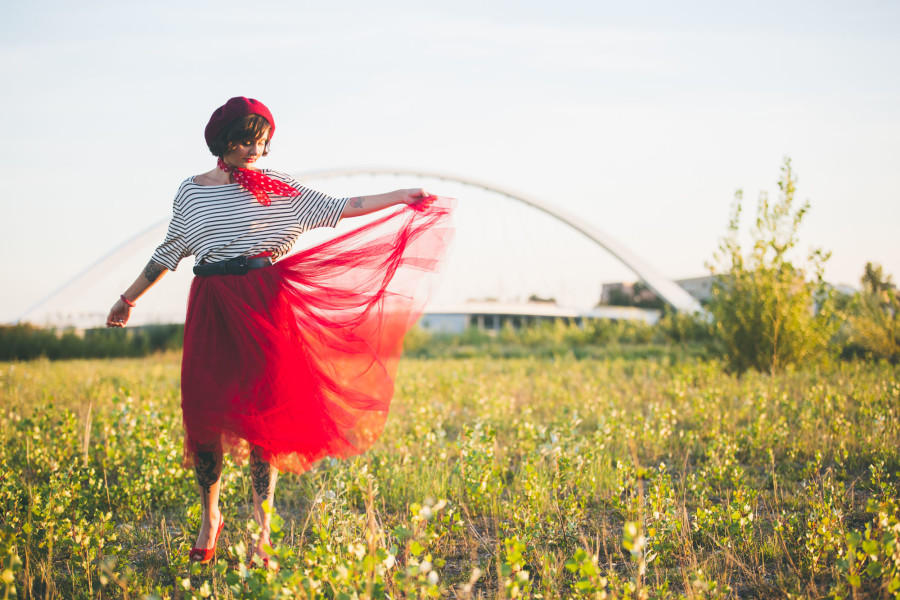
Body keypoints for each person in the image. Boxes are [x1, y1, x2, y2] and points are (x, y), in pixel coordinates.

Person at [105, 97, 453, 567]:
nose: (256, 151)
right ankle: (211, 518)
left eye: (263, 142)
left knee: (261, 420)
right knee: (205, 416)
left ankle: (262, 532)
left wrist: (398, 196)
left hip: (264, 303)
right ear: (224, 140)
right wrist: (128, 298)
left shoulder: (277, 188)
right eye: (248, 140)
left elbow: (340, 206)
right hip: (212, 306)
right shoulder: (191, 192)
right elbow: (170, 251)